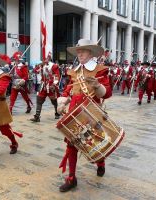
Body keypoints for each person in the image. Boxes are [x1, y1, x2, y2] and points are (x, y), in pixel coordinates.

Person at [57, 39, 112, 192]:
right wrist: (63, 101)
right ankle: (71, 178)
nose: (80, 53)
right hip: (74, 114)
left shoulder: (100, 70)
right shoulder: (74, 71)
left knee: (94, 142)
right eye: (78, 51)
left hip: (91, 113)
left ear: (91, 53)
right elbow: (69, 90)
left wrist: (97, 85)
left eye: (83, 51)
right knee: (71, 145)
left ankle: (100, 163)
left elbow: (107, 93)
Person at [30, 53, 60, 122]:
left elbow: (57, 76)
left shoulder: (54, 66)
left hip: (51, 86)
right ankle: (37, 116)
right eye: (44, 58)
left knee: (54, 100)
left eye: (46, 58)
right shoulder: (42, 65)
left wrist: (54, 85)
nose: (45, 59)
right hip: (43, 85)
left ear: (49, 58)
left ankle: (57, 113)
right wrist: (39, 65)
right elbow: (35, 71)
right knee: (39, 99)